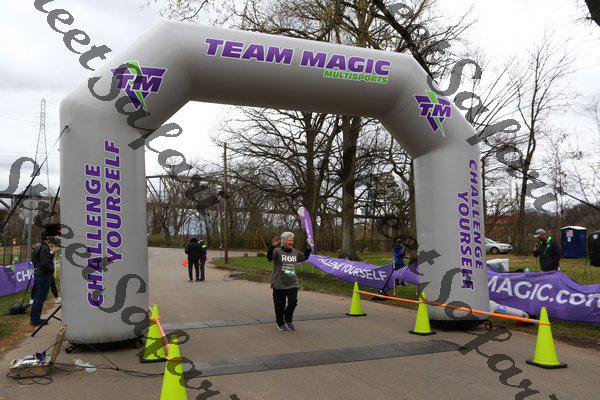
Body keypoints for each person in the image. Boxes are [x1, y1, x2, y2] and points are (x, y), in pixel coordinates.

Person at [266, 232, 311, 331]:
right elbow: (269, 258)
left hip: (292, 282)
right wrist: (272, 246)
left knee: (293, 302)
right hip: (279, 283)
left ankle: (288, 319)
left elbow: (305, 257)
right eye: (289, 240)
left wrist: (308, 248)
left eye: (292, 240)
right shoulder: (277, 251)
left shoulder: (295, 252)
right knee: (280, 306)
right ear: (283, 241)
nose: (292, 242)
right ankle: (280, 322)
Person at [29, 233, 57, 326]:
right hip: (43, 275)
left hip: (38, 274)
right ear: (47, 238)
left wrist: (51, 253)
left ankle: (34, 318)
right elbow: (45, 263)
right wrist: (52, 269)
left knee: (37, 297)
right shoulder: (44, 248)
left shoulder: (37, 246)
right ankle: (35, 320)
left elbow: (36, 260)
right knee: (40, 298)